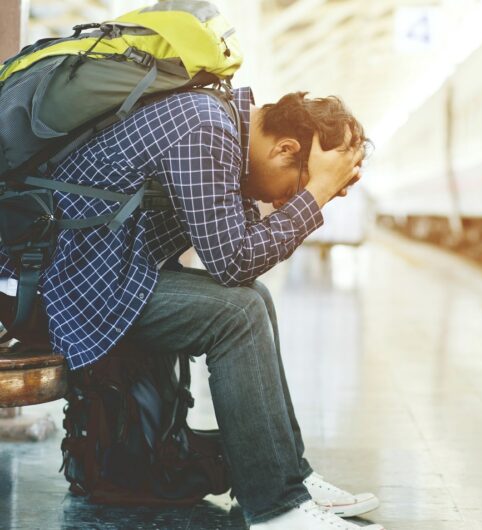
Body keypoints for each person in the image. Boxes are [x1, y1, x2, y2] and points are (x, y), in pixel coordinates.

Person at [0, 86, 384, 529]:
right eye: (299, 183)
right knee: (236, 315)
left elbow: (241, 259)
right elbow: (233, 261)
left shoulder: (224, 133)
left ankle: (289, 477)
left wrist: (307, 190)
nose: (290, 199)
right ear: (284, 149)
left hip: (99, 276)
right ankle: (277, 508)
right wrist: (315, 195)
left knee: (253, 298)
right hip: (54, 288)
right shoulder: (206, 127)